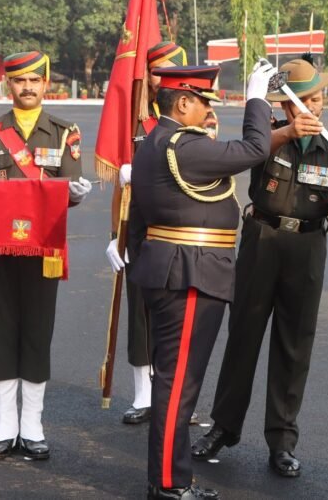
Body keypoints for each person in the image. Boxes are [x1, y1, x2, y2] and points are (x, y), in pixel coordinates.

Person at [191, 58, 328, 477]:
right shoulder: (266, 136)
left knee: (294, 345)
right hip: (262, 241)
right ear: (286, 106)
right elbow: (246, 154)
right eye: (302, 101)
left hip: (307, 246)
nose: (313, 107)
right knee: (244, 336)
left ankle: (282, 441)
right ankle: (224, 427)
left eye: (318, 98)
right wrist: (286, 132)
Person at [129, 63, 274, 499]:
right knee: (178, 385)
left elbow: (139, 216)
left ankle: (169, 477)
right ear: (184, 102)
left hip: (169, 267)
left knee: (173, 382)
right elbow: (255, 148)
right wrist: (257, 98)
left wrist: (142, 259)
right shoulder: (183, 146)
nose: (209, 113)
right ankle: (170, 484)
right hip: (191, 272)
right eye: (204, 103)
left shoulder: (153, 142)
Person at [0, 51, 93, 461]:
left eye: (36, 80)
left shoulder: (64, 132)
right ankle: (4, 425)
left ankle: (32, 425)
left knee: (37, 329)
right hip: (1, 246)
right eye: (20, 81)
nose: (29, 87)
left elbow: (68, 187)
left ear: (46, 83)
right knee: (1, 329)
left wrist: (75, 193)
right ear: (8, 85)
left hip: (44, 246)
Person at [105, 41, 190, 425]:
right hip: (141, 231)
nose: (162, 79)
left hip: (181, 229)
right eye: (156, 72)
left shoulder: (198, 119)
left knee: (179, 317)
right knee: (140, 313)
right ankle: (143, 395)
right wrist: (115, 235)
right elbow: (121, 187)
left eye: (170, 71)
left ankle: (176, 397)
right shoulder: (135, 123)